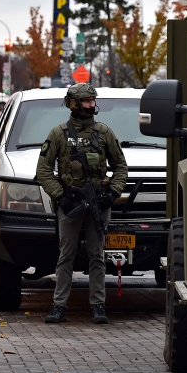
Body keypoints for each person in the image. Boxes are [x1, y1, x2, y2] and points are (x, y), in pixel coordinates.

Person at [35, 83, 128, 325]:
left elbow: (121, 167)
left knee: (97, 255)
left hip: (98, 202)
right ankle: (59, 306)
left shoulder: (104, 133)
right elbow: (43, 169)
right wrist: (60, 196)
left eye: (92, 100)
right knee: (66, 255)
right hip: (71, 203)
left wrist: (113, 193)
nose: (91, 104)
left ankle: (98, 305)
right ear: (74, 103)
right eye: (86, 101)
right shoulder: (58, 133)